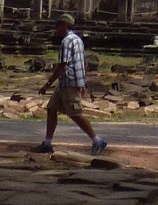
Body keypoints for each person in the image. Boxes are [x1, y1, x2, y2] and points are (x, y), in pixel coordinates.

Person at [36, 11, 107, 154]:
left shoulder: (66, 41)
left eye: (58, 25)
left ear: (65, 25)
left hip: (69, 81)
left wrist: (48, 84)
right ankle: (47, 143)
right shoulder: (78, 40)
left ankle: (97, 140)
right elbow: (83, 63)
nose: (56, 28)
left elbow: (62, 65)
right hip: (67, 82)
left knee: (75, 113)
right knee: (51, 109)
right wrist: (83, 82)